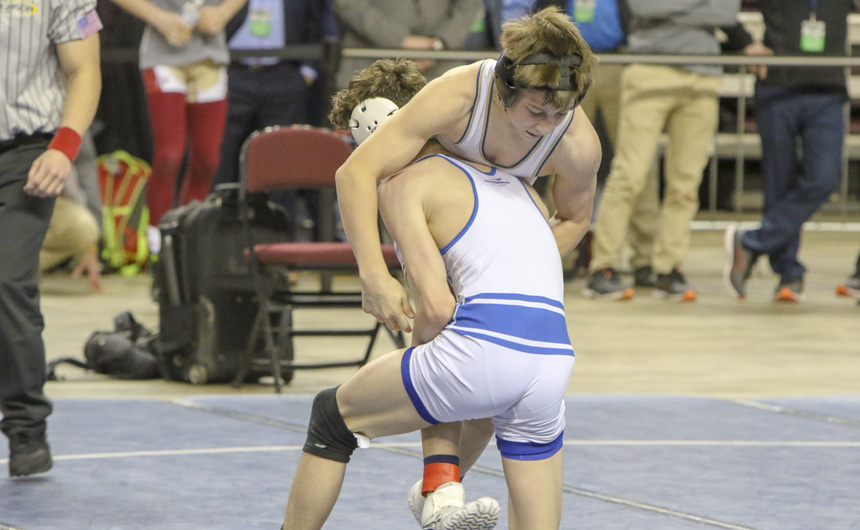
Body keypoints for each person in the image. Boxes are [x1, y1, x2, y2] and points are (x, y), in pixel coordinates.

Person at [282, 83, 576, 530]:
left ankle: (439, 492)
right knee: (473, 401)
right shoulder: (520, 184)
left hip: (485, 350)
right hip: (553, 358)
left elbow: (437, 309)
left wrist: (416, 331)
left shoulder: (406, 183)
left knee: (332, 416)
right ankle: (439, 493)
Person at [0, 0, 103, 477]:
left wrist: (64, 148)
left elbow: (85, 71)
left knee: (8, 282)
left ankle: (26, 429)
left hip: (26, 155)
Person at [584, 0, 741, 302]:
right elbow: (644, 7)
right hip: (650, 68)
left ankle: (669, 268)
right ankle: (602, 266)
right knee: (629, 175)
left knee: (686, 184)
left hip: (703, 76)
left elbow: (726, 12)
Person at [724, 0, 853, 303]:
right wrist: (745, 42)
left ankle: (752, 242)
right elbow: (721, 9)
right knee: (778, 183)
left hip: (827, 90)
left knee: (825, 178)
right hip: (777, 88)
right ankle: (789, 272)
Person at [537, 0, 661, 298]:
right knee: (562, 159)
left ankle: (645, 258)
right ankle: (560, 254)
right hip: (569, 64)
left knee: (639, 162)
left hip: (619, 62)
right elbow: (541, 15)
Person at [111, 0, 248, 255]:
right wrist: (158, 18)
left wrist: (223, 12)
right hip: (163, 55)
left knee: (208, 159)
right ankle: (157, 240)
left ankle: (190, 236)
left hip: (210, 55)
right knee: (169, 154)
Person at [211, 0, 325, 189]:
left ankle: (279, 208)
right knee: (221, 155)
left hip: (283, 74)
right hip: (232, 72)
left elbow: (317, 23)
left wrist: (307, 73)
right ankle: (218, 206)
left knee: (282, 156)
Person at [332, 0, 485, 87]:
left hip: (443, 70)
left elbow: (469, 6)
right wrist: (400, 40)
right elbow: (348, 3)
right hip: (369, 66)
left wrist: (440, 44)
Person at [40, 131, 105, 294]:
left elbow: (85, 169)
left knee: (84, 228)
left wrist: (91, 246)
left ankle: (15, 270)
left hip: (44, 196)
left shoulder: (69, 118)